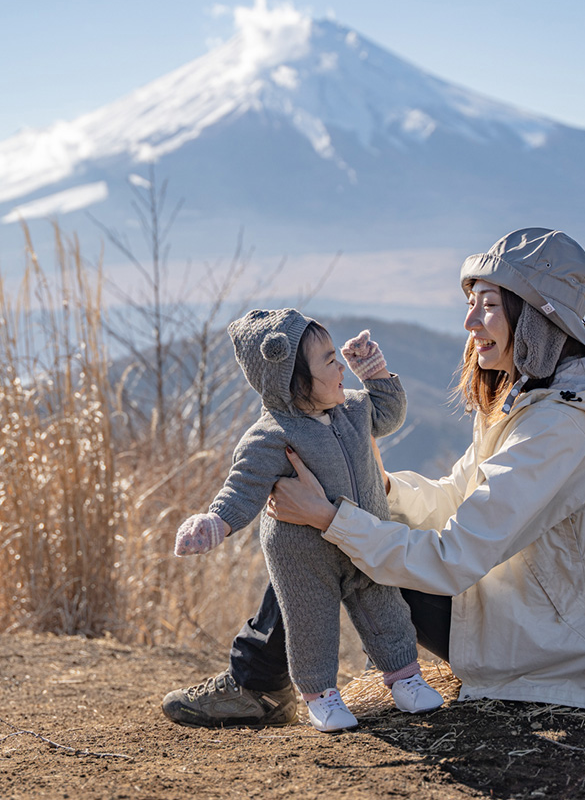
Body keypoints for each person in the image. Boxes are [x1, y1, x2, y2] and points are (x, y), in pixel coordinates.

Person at [162, 228, 585, 727]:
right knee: (341, 518)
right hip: (546, 616)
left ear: (538, 318)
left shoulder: (558, 432)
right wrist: (380, 490)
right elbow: (458, 495)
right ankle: (258, 680)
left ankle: (254, 685)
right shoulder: (539, 398)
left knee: (322, 534)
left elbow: (451, 558)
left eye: (488, 307)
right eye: (471, 304)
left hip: (574, 651)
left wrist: (330, 516)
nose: (470, 323)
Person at [171, 308, 445, 731]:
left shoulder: (354, 409)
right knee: (310, 626)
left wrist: (374, 372)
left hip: (360, 539)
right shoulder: (269, 436)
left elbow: (389, 415)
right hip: (303, 556)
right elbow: (243, 488)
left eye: (339, 357)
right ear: (294, 382)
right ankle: (322, 697)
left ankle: (405, 679)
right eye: (330, 361)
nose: (341, 368)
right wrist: (215, 522)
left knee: (386, 610)